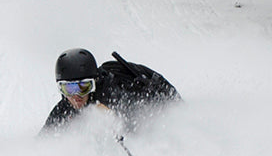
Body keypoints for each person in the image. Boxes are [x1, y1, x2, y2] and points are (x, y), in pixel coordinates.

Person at [43, 47, 179, 132]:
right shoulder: (66, 105)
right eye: (68, 89)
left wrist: (115, 119)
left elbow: (140, 127)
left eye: (84, 86)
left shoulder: (114, 94)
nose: (76, 96)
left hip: (164, 99)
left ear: (94, 84)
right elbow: (44, 139)